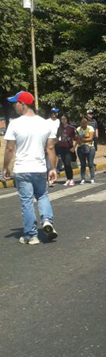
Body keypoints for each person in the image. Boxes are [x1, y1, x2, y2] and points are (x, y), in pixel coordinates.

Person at [2, 91, 58, 245]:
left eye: (15, 103)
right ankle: (47, 220)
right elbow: (51, 148)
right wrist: (53, 168)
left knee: (27, 201)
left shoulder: (15, 123)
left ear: (23, 104)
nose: (14, 106)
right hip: (40, 168)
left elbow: (9, 149)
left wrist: (5, 167)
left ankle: (31, 236)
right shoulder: (46, 123)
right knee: (42, 195)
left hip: (22, 169)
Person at [56, 115, 76, 186]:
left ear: (67, 119)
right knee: (65, 164)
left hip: (69, 148)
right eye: (62, 119)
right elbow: (58, 138)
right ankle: (68, 179)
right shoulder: (59, 129)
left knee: (68, 164)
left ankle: (71, 179)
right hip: (61, 148)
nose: (63, 120)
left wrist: (74, 147)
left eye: (64, 119)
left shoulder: (71, 128)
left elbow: (76, 138)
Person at [76, 118, 96, 184]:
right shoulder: (78, 129)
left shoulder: (90, 128)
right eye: (82, 124)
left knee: (90, 163)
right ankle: (83, 178)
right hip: (81, 147)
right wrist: (81, 139)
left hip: (90, 147)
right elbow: (77, 138)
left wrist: (82, 139)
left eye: (85, 124)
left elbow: (90, 138)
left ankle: (92, 178)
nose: (83, 125)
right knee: (83, 164)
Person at [46, 107, 62, 176]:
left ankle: (55, 168)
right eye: (53, 113)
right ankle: (51, 168)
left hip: (57, 139)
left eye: (56, 113)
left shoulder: (58, 121)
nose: (55, 114)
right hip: (49, 139)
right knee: (50, 154)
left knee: (57, 154)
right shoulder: (47, 121)